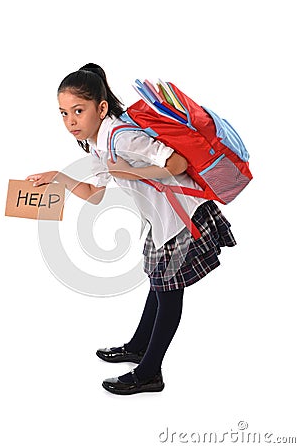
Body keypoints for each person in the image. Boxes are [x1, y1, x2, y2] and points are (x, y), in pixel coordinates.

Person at [26, 63, 236, 395]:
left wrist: (129, 173)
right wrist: (58, 177)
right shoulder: (99, 141)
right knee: (158, 281)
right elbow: (94, 195)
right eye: (64, 113)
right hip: (163, 221)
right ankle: (139, 347)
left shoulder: (122, 137)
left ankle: (150, 372)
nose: (70, 121)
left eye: (78, 111)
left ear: (102, 107)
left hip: (183, 218)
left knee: (167, 294)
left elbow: (176, 164)